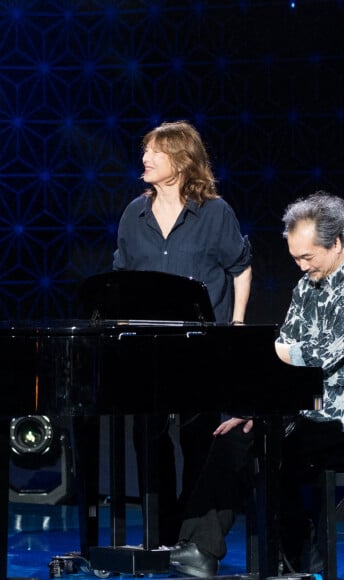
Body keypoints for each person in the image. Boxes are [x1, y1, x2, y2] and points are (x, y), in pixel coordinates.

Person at [168, 191, 344, 577]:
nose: (302, 266)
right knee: (234, 435)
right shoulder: (306, 287)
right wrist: (260, 406)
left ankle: (295, 555)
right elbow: (287, 341)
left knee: (279, 441)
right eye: (295, 258)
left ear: (336, 242)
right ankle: (199, 549)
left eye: (309, 257)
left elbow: (321, 352)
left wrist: (268, 368)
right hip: (309, 401)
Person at [112, 120, 252, 545]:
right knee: (149, 442)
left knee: (198, 440)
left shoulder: (215, 212)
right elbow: (121, 275)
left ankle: (193, 538)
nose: (145, 159)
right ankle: (159, 532)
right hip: (148, 350)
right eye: (145, 151)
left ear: (182, 160)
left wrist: (237, 323)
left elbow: (240, 267)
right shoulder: (134, 214)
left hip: (201, 349)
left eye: (156, 152)